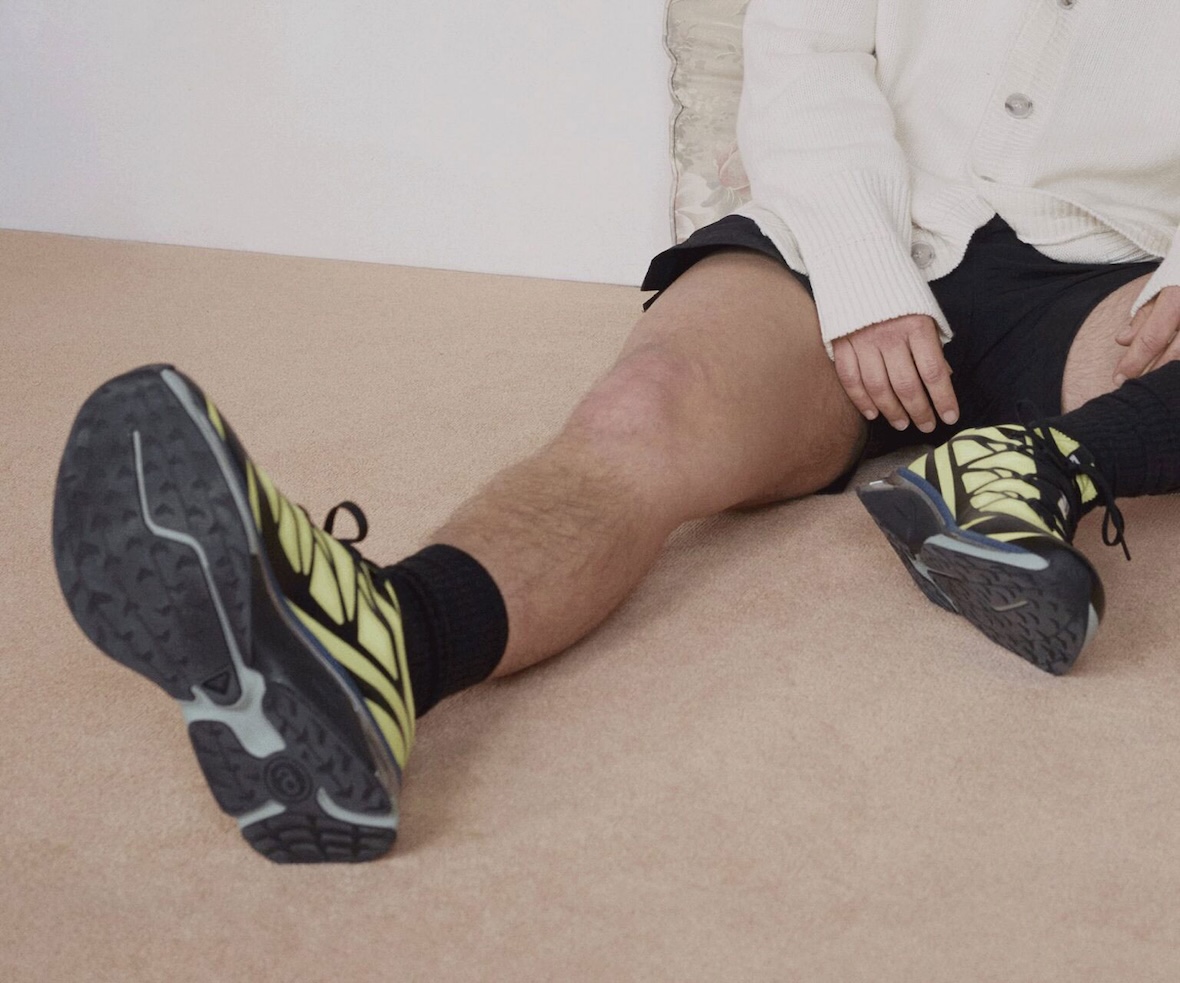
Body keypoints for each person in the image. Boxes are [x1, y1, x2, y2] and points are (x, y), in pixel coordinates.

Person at [52, 0, 1180, 863]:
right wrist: (863, 268)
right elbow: (808, 47)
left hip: (1113, 269)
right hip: (869, 223)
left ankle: (1039, 462)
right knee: (643, 410)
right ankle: (386, 641)